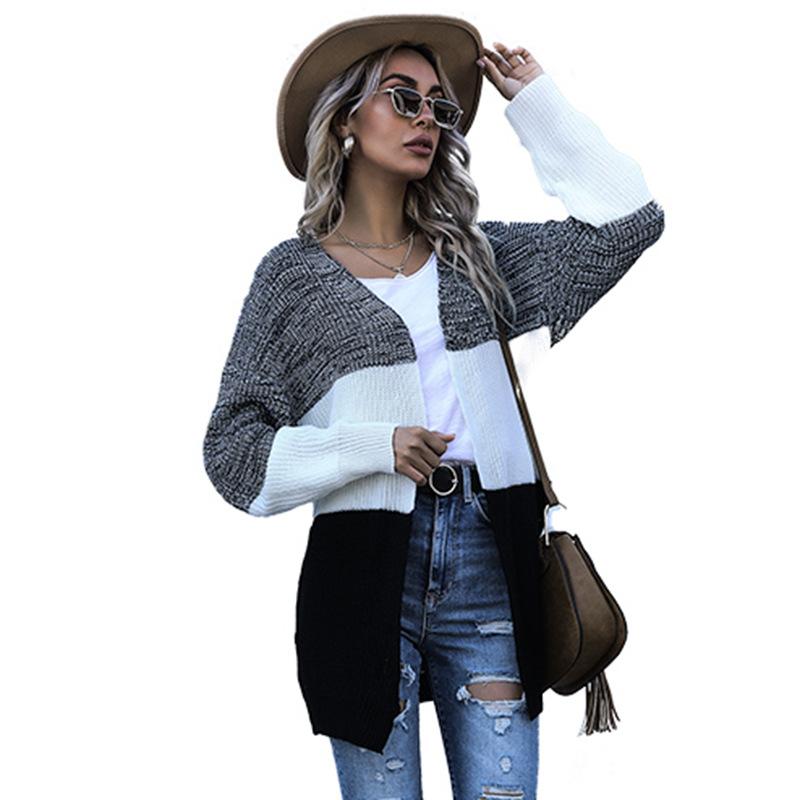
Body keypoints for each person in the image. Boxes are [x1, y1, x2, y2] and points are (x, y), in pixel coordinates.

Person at [203, 14, 665, 800]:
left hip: (492, 550)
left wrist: (536, 102)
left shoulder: (477, 259)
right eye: (403, 98)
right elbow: (233, 454)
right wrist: (370, 447)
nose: (427, 119)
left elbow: (629, 223)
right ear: (346, 119)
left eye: (438, 106)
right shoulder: (293, 279)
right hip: (362, 569)